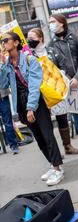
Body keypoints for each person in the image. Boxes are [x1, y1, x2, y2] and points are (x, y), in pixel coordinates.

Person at [0, 32, 64, 185]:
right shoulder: (7, 64)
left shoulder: (29, 59)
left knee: (47, 134)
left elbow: (35, 85)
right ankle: (53, 165)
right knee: (39, 137)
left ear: (16, 43)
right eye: (1, 41)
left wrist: (31, 108)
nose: (3, 43)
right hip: (21, 105)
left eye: (6, 40)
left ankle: (58, 168)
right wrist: (2, 65)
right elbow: (3, 85)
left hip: (36, 103)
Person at [27, 27, 78, 155]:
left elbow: (63, 65)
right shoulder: (28, 55)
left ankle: (67, 146)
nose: (29, 40)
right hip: (40, 91)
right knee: (46, 121)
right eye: (28, 38)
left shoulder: (52, 51)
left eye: (32, 38)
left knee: (61, 116)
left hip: (56, 88)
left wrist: (62, 75)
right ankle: (54, 150)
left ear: (40, 38)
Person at [47, 14, 78, 153]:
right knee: (75, 109)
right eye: (49, 22)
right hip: (66, 82)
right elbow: (54, 66)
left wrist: (77, 76)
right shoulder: (51, 44)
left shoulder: (74, 37)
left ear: (61, 23)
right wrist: (68, 79)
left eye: (53, 21)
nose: (50, 24)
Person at [0, 54, 19, 154]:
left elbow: (4, 82)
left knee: (7, 122)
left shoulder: (4, 65)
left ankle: (13, 145)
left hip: (3, 97)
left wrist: (2, 64)